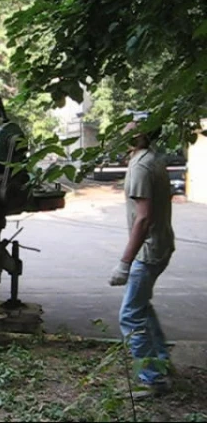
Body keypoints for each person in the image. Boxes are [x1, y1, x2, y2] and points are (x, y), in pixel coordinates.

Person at [109, 120, 175, 396]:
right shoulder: (153, 159)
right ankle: (161, 361)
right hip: (161, 246)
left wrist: (125, 262)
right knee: (141, 308)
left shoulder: (140, 166)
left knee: (130, 315)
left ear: (141, 134)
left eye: (132, 125)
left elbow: (144, 218)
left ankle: (152, 379)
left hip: (148, 253)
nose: (124, 127)